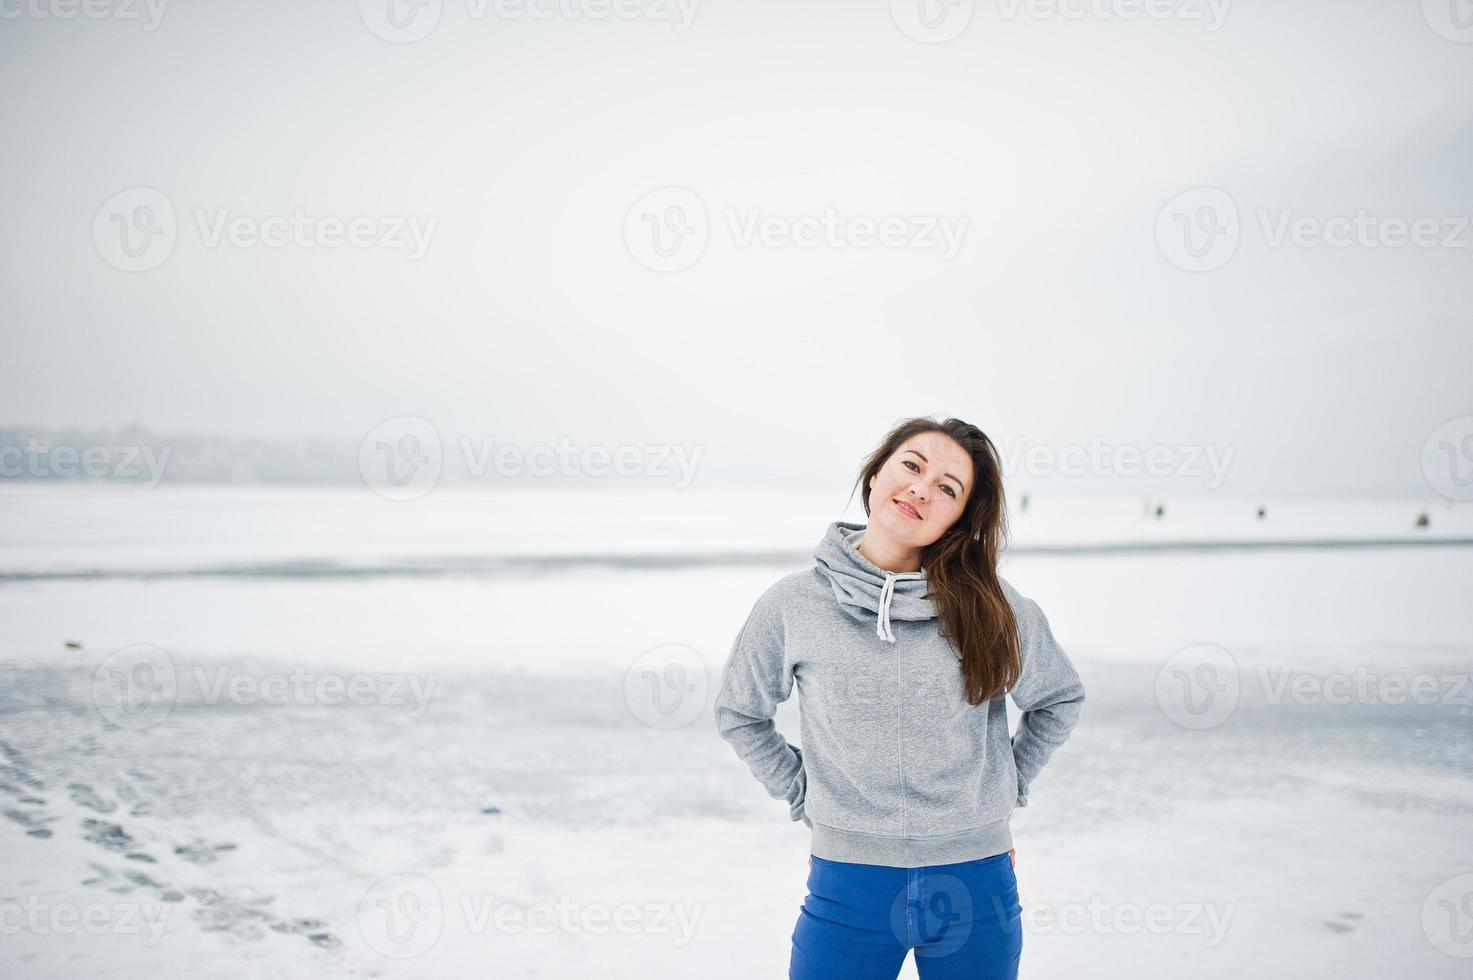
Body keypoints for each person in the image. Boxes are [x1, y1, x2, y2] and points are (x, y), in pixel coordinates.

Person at [713, 415, 1086, 980]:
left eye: (947, 488)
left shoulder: (994, 607)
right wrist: (803, 793)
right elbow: (740, 712)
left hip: (974, 883)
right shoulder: (794, 604)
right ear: (876, 473)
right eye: (912, 466)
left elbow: (1058, 699)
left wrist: (1005, 785)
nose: (921, 488)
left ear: (961, 518)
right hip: (848, 885)